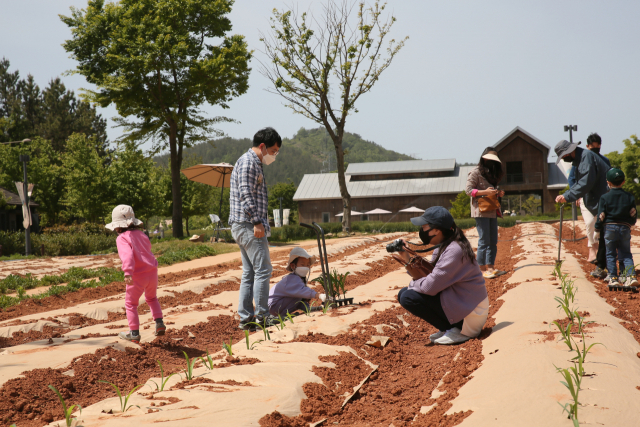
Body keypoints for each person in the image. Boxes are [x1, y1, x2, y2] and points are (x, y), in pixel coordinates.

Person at [396, 206, 489, 345]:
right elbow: (429, 274)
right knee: (405, 293)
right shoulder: (445, 245)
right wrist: (406, 256)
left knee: (408, 296)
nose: (421, 230)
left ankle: (457, 329)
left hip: (471, 315)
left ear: (436, 230)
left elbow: (429, 287)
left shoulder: (454, 250)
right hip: (464, 304)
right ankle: (450, 327)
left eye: (424, 226)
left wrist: (413, 284)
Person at [229, 127, 282, 330]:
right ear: (263, 146)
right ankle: (262, 316)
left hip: (244, 224)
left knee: (250, 272)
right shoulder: (249, 162)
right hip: (248, 224)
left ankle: (246, 318)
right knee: (263, 269)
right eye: (274, 150)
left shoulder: (254, 163)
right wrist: (257, 221)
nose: (274, 155)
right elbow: (246, 194)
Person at [106, 205, 165, 344]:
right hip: (152, 272)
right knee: (152, 298)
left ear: (117, 226)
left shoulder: (122, 238)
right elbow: (148, 251)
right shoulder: (142, 235)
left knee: (131, 304)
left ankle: (134, 333)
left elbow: (127, 256)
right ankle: (159, 322)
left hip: (137, 275)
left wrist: (127, 273)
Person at [554, 139, 610, 279]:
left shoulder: (586, 158)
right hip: (601, 199)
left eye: (564, 155)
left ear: (569, 152)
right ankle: (606, 267)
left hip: (604, 199)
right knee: (605, 236)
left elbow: (586, 182)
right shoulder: (582, 158)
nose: (564, 158)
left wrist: (568, 195)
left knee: (606, 236)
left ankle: (605, 268)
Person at [567, 133, 611, 263]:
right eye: (593, 149)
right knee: (590, 223)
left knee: (603, 225)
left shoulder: (605, 161)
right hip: (585, 197)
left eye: (597, 149)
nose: (595, 152)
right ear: (587, 147)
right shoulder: (579, 162)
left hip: (602, 198)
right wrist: (576, 194)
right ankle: (592, 248)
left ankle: (604, 252)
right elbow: (572, 179)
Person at [465, 147, 505, 279]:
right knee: (484, 240)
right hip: (480, 211)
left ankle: (491, 267)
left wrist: (497, 192)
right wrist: (485, 192)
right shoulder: (475, 172)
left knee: (493, 240)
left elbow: (490, 189)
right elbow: (469, 191)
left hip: (492, 209)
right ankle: (481, 269)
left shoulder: (492, 173)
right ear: (483, 158)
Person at [594, 168, 638, 287]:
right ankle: (630, 276)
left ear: (608, 182)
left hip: (609, 228)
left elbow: (601, 216)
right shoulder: (629, 197)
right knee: (626, 253)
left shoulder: (605, 197)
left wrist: (597, 229)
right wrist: (630, 223)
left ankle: (613, 278)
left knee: (610, 254)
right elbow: (633, 213)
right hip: (624, 228)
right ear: (624, 181)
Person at [268, 247, 326, 316]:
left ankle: (307, 308)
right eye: (302, 265)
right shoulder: (292, 279)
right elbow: (303, 291)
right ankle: (283, 315)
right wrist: (319, 295)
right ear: (293, 266)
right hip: (274, 307)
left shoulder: (297, 278)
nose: (305, 267)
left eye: (307, 265)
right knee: (298, 295)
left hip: (277, 305)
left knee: (298, 297)